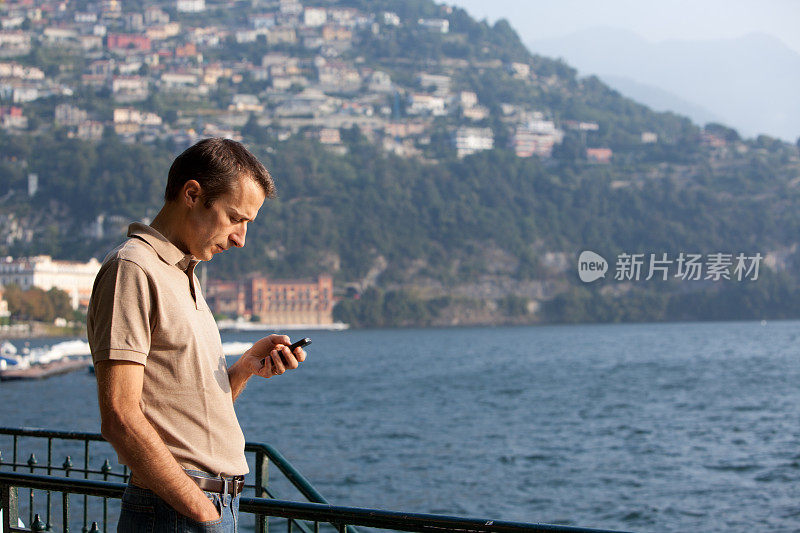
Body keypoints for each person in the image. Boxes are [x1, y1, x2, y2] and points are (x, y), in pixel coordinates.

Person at [87, 138, 307, 532]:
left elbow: (187, 414)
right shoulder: (133, 268)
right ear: (192, 194)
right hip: (179, 510)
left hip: (202, 506)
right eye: (236, 218)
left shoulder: (183, 272)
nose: (241, 238)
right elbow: (119, 416)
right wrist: (202, 510)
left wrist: (242, 370)